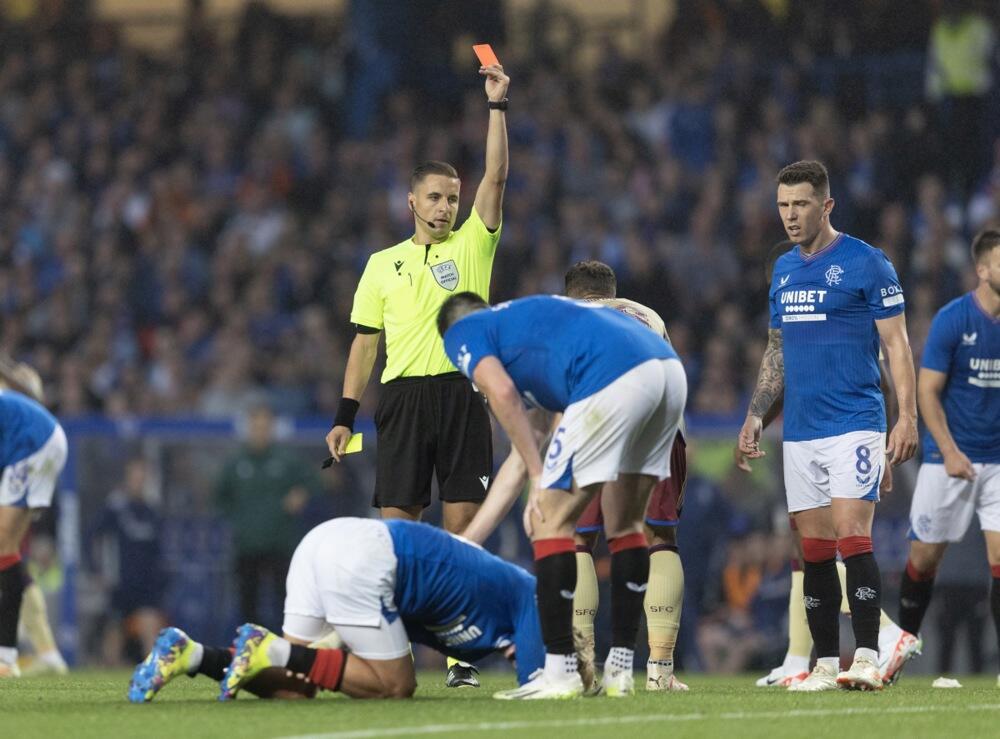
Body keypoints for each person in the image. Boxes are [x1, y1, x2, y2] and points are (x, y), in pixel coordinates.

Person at [324, 62, 510, 689]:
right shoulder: (381, 265)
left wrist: (496, 108)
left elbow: (497, 175)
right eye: (434, 197)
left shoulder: (473, 245)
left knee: (462, 532)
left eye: (452, 198)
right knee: (399, 536)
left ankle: (459, 656)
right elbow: (364, 345)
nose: (445, 206)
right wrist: (344, 417)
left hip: (461, 395)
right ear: (411, 201)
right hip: (402, 400)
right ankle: (393, 653)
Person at [438, 292, 686, 699]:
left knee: (548, 521)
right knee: (625, 524)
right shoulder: (528, 337)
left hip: (613, 374)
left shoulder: (463, 329)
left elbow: (502, 395)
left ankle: (559, 672)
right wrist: (468, 544)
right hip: (667, 373)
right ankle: (621, 670)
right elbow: (521, 455)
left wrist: (541, 478)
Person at [738, 160, 918, 692]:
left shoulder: (867, 262)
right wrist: (755, 413)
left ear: (827, 205)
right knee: (812, 550)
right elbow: (777, 350)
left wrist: (906, 417)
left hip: (854, 421)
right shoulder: (784, 270)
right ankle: (821, 663)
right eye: (783, 205)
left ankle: (866, 655)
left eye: (801, 204)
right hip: (800, 429)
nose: (790, 216)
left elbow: (897, 345)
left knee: (852, 537)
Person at [127, 517, 543, 702]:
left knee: (294, 686)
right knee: (396, 687)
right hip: (366, 558)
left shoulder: (497, 607)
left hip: (331, 545)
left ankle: (191, 655)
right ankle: (275, 650)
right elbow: (540, 683)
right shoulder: (530, 596)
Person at [896, 228, 1000, 684]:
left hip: (997, 460)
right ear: (982, 270)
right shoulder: (953, 320)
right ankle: (899, 653)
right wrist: (951, 451)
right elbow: (927, 391)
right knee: (923, 560)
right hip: (948, 459)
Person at [215, 405, 319, 631]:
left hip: (280, 543)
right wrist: (239, 519)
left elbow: (314, 480)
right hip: (247, 545)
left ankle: (287, 645)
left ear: (271, 428)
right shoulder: (236, 462)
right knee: (247, 602)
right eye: (256, 426)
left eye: (264, 426)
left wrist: (301, 494)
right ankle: (250, 644)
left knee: (286, 600)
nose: (260, 432)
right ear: (248, 428)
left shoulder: (286, 459)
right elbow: (218, 497)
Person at [0, 389, 68, 678]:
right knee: (7, 551)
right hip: (38, 442)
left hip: (33, 444)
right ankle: (17, 656)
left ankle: (6, 658)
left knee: (2, 544)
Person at [87, 457, 168, 664]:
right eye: (135, 477)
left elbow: (158, 550)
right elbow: (92, 535)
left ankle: (151, 671)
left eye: (143, 478)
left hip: (146, 584)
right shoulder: (115, 509)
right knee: (115, 632)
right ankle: (107, 674)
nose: (139, 482)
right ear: (127, 479)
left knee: (149, 627)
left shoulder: (152, 512)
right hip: (121, 582)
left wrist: (160, 579)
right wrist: (95, 569)